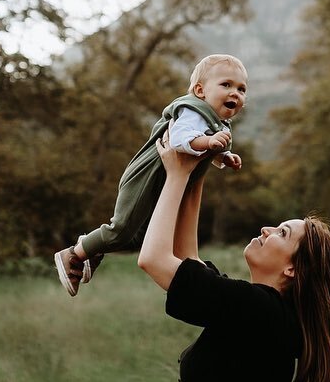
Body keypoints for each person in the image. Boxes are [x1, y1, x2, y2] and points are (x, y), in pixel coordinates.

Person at [138, 132, 330, 382]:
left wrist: (176, 176)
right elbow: (187, 258)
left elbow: (153, 259)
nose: (266, 229)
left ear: (292, 270)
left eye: (281, 232)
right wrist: (196, 170)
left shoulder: (259, 310)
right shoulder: (265, 313)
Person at [54, 54, 248, 297]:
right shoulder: (192, 110)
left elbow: (205, 149)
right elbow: (179, 140)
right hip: (146, 176)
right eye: (226, 85)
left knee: (140, 236)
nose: (236, 93)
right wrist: (209, 141)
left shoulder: (219, 123)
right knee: (122, 228)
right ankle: (75, 253)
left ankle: (94, 248)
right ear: (200, 90)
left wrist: (223, 156)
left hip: (165, 182)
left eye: (241, 89)